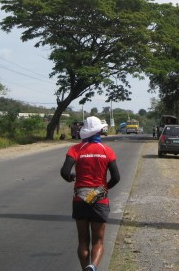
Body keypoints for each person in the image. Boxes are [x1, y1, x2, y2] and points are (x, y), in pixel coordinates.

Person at [60, 116, 120, 271]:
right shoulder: (107, 150)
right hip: (99, 197)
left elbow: (64, 172)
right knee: (98, 241)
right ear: (99, 131)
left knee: (83, 241)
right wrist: (103, 190)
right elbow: (116, 177)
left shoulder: (76, 149)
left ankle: (85, 268)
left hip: (80, 197)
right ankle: (92, 266)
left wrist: (71, 177)